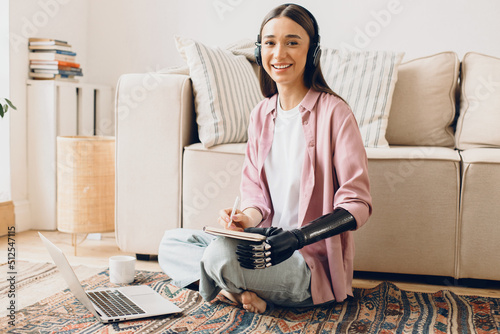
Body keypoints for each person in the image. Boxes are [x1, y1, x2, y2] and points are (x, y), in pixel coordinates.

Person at [158, 3, 372, 314]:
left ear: (312, 52)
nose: (279, 53)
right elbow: (255, 195)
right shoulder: (261, 114)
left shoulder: (335, 113)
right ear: (260, 51)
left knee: (219, 257)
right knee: (171, 244)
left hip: (306, 264)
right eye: (270, 42)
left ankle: (226, 287)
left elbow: (358, 204)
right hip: (258, 250)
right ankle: (238, 292)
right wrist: (246, 219)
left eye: (292, 42)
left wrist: (297, 238)